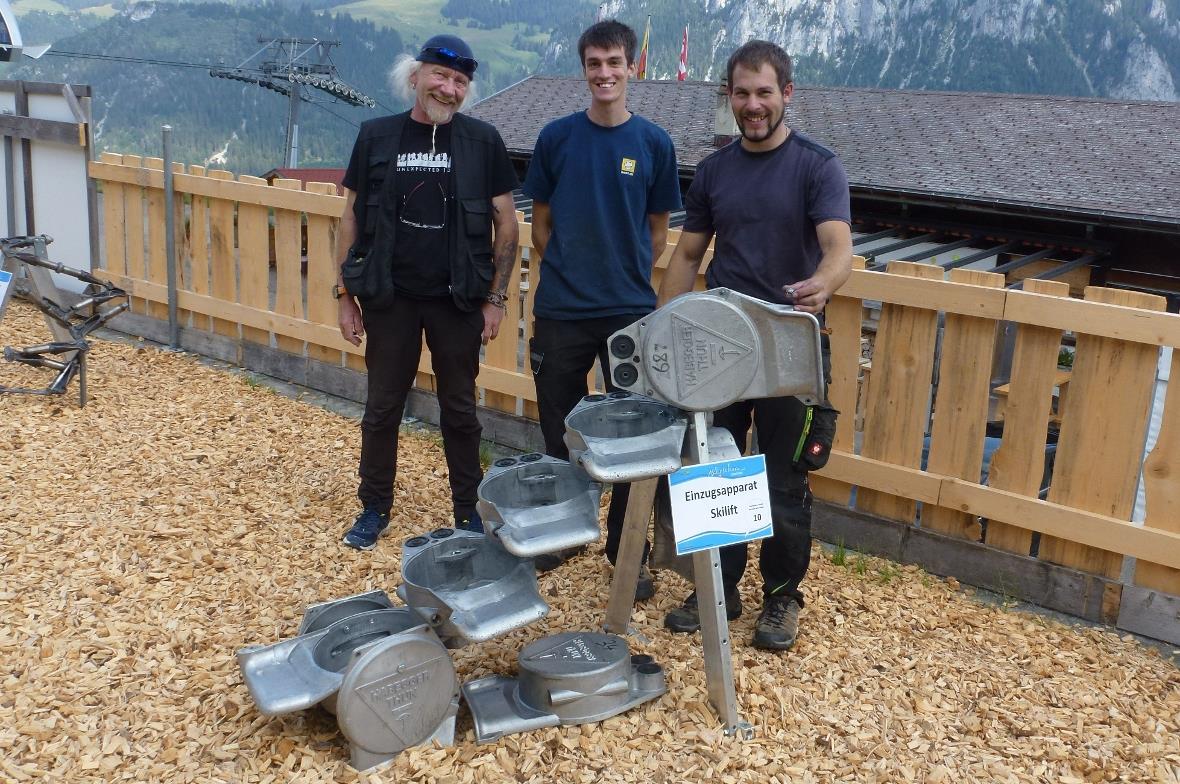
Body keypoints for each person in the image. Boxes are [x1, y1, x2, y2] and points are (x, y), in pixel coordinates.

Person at [656, 40, 852, 650]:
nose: (753, 104)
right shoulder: (715, 172)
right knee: (712, 465)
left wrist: (822, 283)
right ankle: (719, 584)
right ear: (730, 98)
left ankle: (781, 598)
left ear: (786, 94)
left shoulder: (817, 168)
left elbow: (839, 247)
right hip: (720, 341)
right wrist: (661, 329)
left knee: (784, 477)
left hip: (789, 344)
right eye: (742, 93)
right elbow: (688, 255)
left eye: (764, 92)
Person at [334, 35, 519, 550]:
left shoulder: (483, 142)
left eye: (460, 82)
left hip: (457, 300)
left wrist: (496, 299)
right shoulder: (375, 137)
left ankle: (468, 510)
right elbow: (349, 218)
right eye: (440, 76)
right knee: (381, 407)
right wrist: (344, 295)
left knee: (460, 409)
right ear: (415, 77)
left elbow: (507, 226)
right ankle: (374, 506)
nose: (450, 88)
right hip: (389, 298)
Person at [522, 19, 682, 596]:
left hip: (628, 314)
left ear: (631, 66)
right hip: (562, 310)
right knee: (559, 433)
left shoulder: (654, 144)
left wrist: (618, 272)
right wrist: (573, 267)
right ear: (583, 69)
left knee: (630, 440)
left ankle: (626, 551)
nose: (605, 74)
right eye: (594, 64)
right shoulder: (556, 139)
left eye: (614, 63)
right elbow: (540, 226)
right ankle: (559, 537)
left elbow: (657, 233)